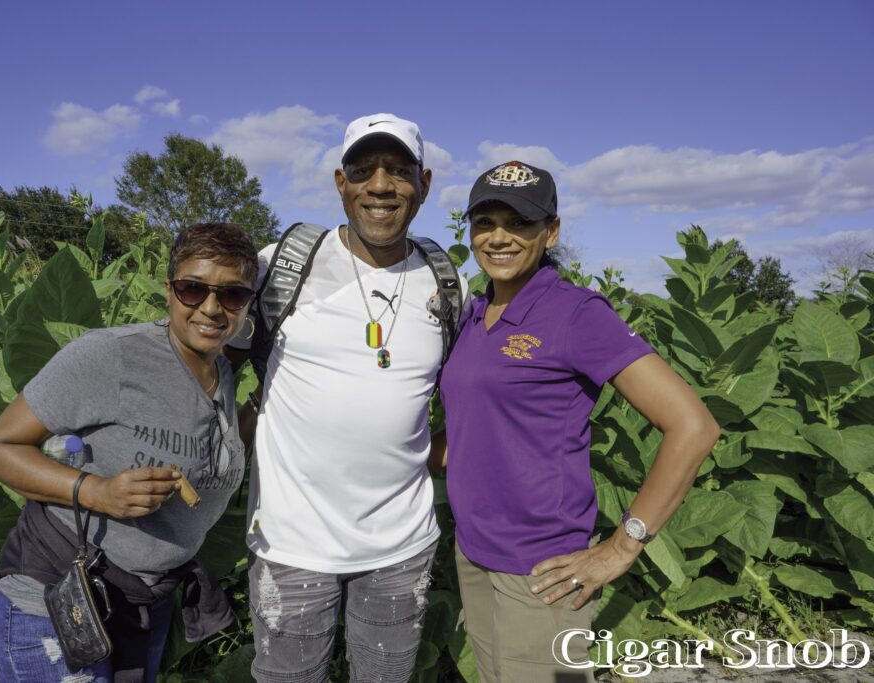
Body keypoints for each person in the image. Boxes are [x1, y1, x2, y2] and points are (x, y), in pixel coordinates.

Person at [434, 161, 720, 682]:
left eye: (519, 223)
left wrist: (622, 546)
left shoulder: (575, 314)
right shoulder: (476, 313)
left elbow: (693, 426)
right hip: (474, 550)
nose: (499, 238)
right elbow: (472, 431)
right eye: (485, 222)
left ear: (552, 231)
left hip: (542, 567)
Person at [229, 114, 468, 683]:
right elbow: (213, 364)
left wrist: (437, 451)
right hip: (290, 543)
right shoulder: (281, 264)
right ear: (342, 183)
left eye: (399, 171)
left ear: (425, 183)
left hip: (402, 546)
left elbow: (468, 390)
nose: (381, 185)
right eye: (363, 170)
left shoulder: (442, 276)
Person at [0, 223, 257, 683]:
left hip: (144, 602)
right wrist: (96, 491)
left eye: (232, 295)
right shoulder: (112, 356)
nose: (210, 308)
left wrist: (262, 402)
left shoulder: (219, 367)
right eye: (192, 289)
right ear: (168, 290)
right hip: (59, 603)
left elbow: (216, 447)